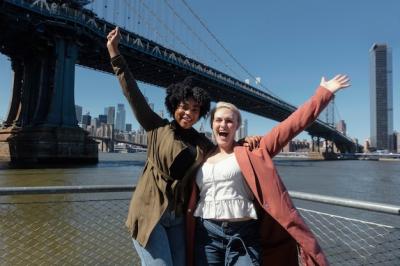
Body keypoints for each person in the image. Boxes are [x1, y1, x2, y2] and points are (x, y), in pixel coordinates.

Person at [106, 27, 259, 266]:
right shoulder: (156, 127)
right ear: (174, 104)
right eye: (184, 106)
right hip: (150, 213)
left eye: (195, 109)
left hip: (177, 217)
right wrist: (115, 54)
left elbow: (225, 148)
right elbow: (132, 93)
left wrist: (246, 143)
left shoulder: (202, 143)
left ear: (201, 114)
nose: (188, 113)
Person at [186, 75, 350, 266]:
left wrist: (324, 93)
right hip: (207, 235)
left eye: (229, 121)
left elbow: (291, 126)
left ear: (237, 126)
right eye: (218, 120)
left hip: (244, 235)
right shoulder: (201, 154)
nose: (223, 125)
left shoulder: (253, 151)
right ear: (212, 124)